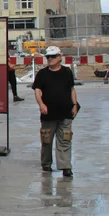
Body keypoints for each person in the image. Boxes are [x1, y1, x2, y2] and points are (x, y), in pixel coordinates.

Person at [32, 46, 78, 178]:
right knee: (47, 140)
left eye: (53, 57)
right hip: (48, 114)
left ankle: (65, 167)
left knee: (65, 139)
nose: (50, 59)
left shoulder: (67, 72)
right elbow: (37, 90)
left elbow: (72, 89)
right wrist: (41, 104)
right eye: (48, 57)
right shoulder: (42, 74)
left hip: (65, 112)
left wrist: (74, 105)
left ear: (59, 57)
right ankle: (46, 163)